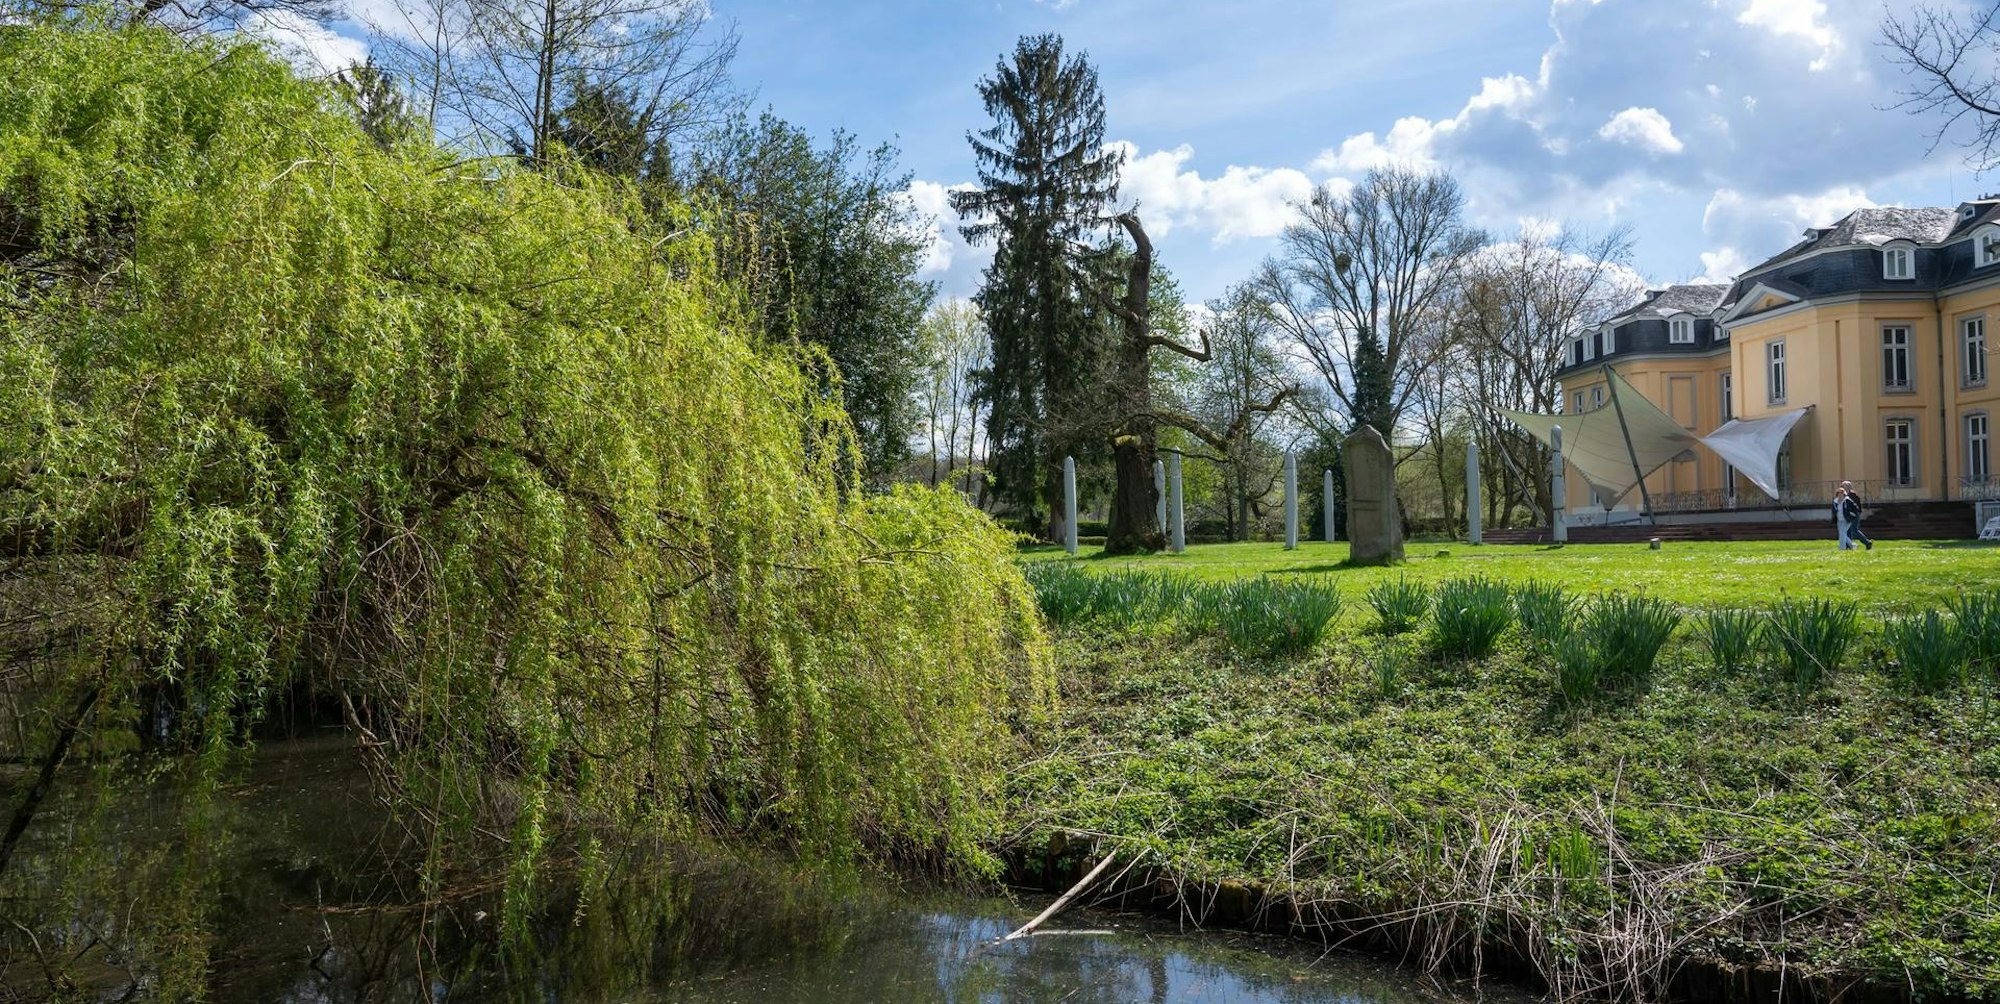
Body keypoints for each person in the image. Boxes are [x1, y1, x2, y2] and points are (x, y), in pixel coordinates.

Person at [1838, 480, 1873, 550]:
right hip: (1848, 516)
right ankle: (1849, 545)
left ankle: (1867, 542)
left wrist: (1854, 514)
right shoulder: (1844, 495)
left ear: (1848, 487)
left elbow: (1856, 507)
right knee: (1848, 531)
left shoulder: (1853, 495)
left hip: (1854, 516)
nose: (1841, 487)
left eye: (1843, 486)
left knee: (1854, 530)